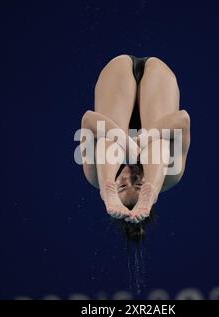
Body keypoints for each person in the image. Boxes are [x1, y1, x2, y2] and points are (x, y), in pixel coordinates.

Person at [80, 54, 190, 224]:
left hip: (118, 70)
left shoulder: (95, 177)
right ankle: (151, 188)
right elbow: (183, 119)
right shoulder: (170, 177)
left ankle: (106, 188)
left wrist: (125, 143)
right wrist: (142, 141)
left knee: (110, 140)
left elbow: (88, 120)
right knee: (158, 142)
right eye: (139, 185)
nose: (131, 177)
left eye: (123, 186)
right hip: (158, 74)